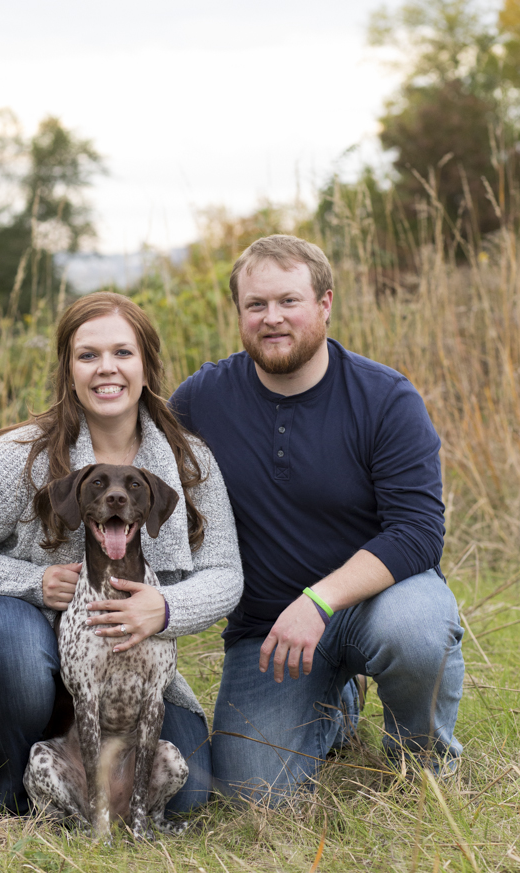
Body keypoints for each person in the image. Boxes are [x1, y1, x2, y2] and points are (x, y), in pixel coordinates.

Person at [0, 292, 243, 816]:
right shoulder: (23, 456)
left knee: (186, 792)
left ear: (148, 364)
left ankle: (65, 762)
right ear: (68, 369)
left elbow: (224, 572)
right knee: (11, 646)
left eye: (122, 353)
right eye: (88, 355)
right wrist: (30, 584)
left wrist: (165, 608)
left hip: (115, 666)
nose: (106, 368)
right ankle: (10, 784)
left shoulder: (187, 460)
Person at [169, 235, 464, 803]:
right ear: (239, 313)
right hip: (270, 632)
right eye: (256, 305)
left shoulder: (385, 398)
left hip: (380, 602)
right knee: (253, 794)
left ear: (325, 304)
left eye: (289, 301)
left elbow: (420, 531)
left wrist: (319, 601)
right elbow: (134, 458)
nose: (272, 318)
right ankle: (338, 705)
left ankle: (421, 765)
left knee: (416, 633)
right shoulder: (202, 399)